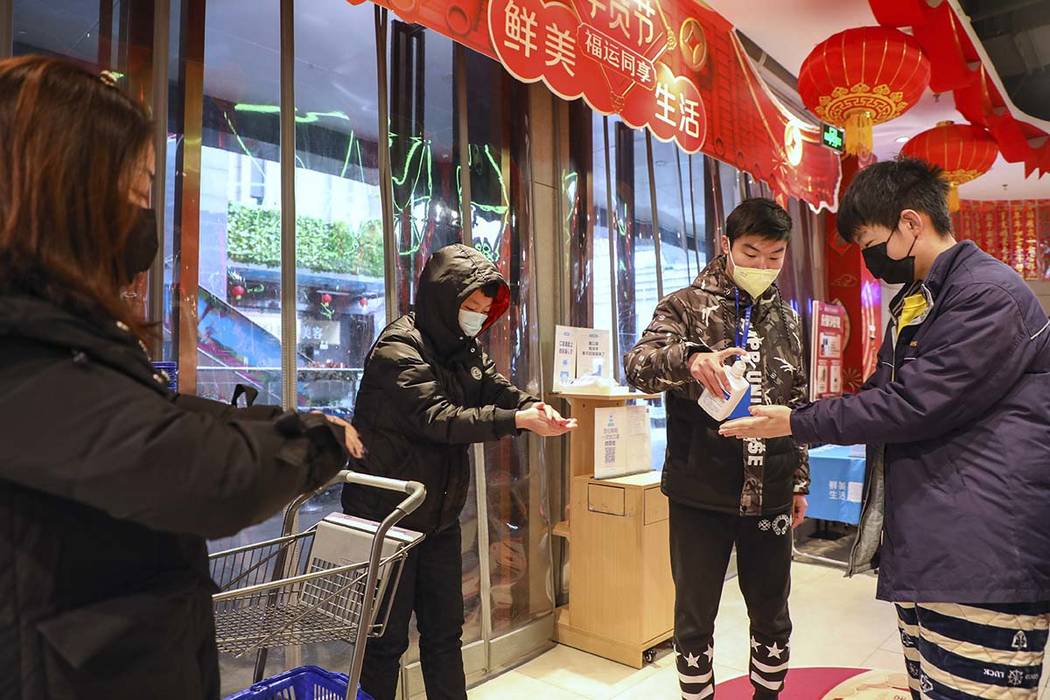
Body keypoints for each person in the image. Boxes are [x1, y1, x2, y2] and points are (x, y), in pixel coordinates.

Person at [0, 56, 363, 699]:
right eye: (138, 190)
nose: (146, 212)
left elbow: (162, 415)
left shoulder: (65, 337)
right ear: (66, 193)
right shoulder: (21, 354)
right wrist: (315, 442)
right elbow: (196, 469)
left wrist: (289, 420)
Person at [720, 158, 1050, 699]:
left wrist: (796, 422)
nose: (869, 260)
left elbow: (913, 405)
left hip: (981, 550)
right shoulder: (924, 298)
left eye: (871, 241)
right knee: (931, 684)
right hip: (937, 539)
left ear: (911, 223)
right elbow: (880, 394)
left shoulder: (984, 295)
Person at [342, 243, 576, 700]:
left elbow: (496, 387)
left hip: (437, 516)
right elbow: (439, 419)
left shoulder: (463, 347)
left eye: (483, 310)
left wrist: (531, 407)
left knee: (445, 634)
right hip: (388, 521)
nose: (477, 317)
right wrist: (514, 421)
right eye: (469, 307)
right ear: (441, 301)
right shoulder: (398, 350)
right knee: (384, 643)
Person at [624, 198, 810, 700]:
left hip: (770, 488)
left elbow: (798, 404)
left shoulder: (789, 322)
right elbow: (637, 366)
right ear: (725, 244)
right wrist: (689, 358)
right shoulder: (684, 306)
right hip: (699, 487)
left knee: (772, 609)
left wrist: (798, 481)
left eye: (775, 257)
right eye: (751, 253)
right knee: (694, 613)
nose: (763, 267)